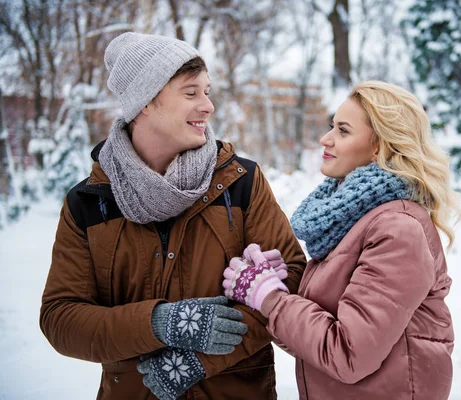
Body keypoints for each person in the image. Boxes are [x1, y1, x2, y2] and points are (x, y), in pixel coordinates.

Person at [39, 32, 306, 400]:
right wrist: (159, 323)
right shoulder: (89, 203)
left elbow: (290, 281)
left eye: (207, 91)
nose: (208, 106)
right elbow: (61, 318)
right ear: (145, 102)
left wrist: (199, 358)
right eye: (191, 92)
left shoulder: (240, 183)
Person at [223, 80, 461, 399]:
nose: (326, 138)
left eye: (343, 131)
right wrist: (275, 290)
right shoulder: (354, 220)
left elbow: (348, 354)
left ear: (380, 146)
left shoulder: (396, 228)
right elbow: (321, 343)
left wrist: (271, 299)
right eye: (331, 126)